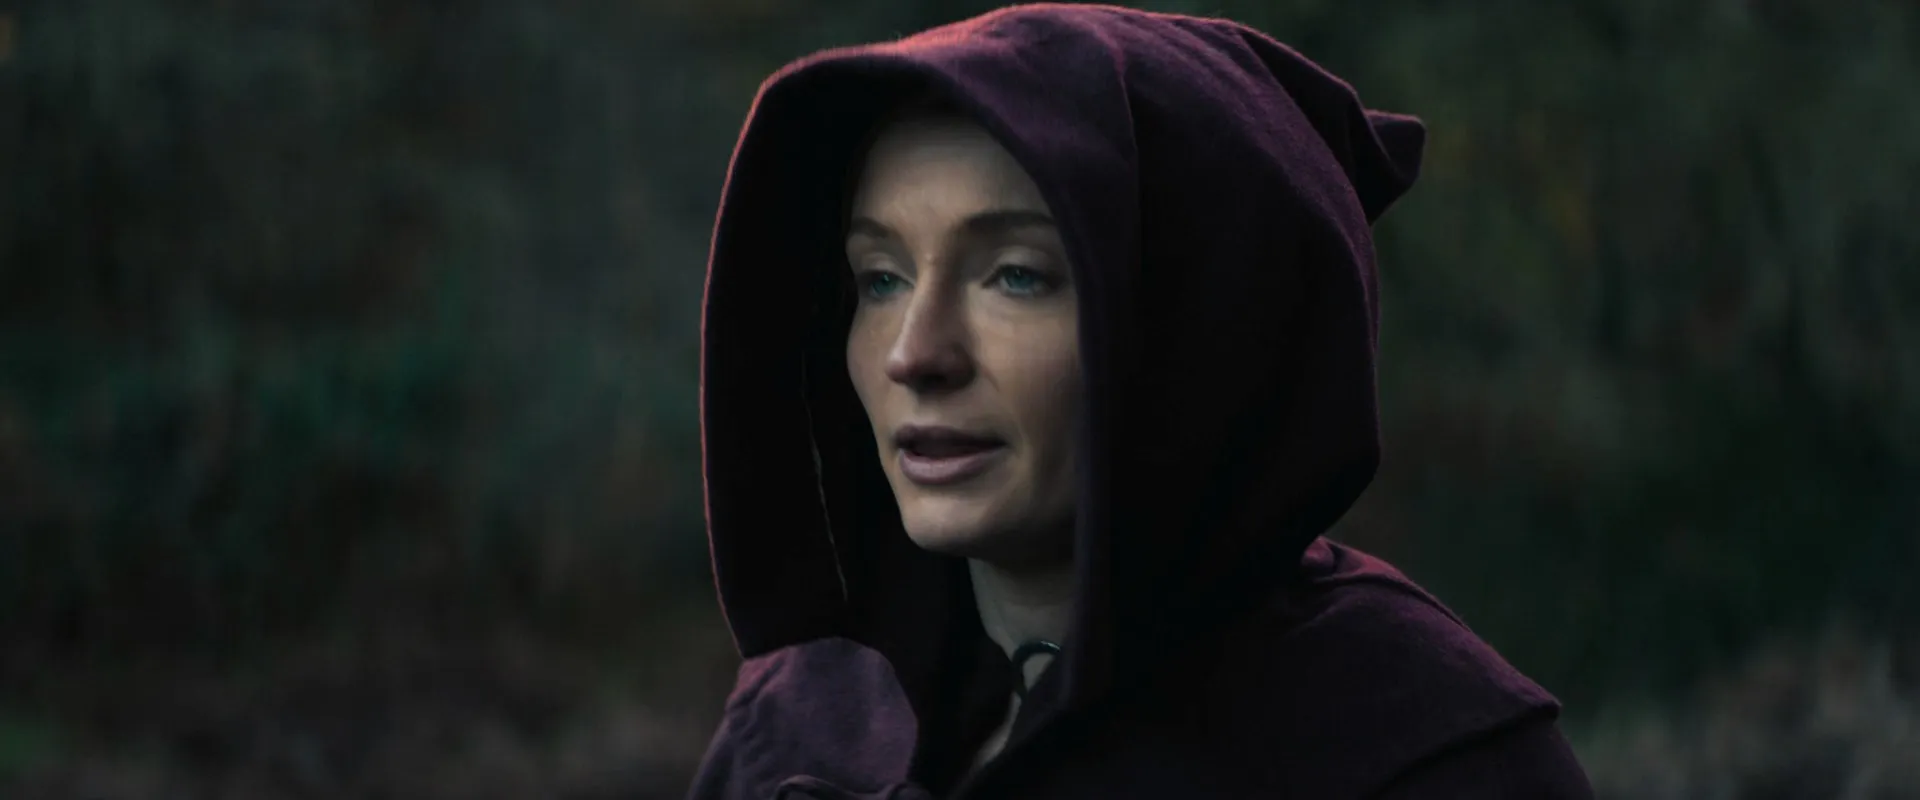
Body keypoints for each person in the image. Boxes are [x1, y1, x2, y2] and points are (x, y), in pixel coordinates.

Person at [689, 4, 1594, 798]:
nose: (914, 354)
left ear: (1193, 325)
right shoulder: (805, 724)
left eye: (1016, 275)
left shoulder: (1420, 758)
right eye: (880, 279)